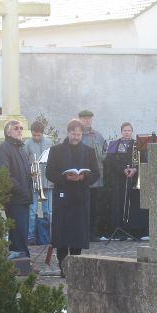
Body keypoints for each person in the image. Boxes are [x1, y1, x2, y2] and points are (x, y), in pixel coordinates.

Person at [46, 119, 100, 277]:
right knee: (62, 235)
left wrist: (83, 177)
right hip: (62, 196)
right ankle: (63, 268)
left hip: (80, 197)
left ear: (82, 134)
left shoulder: (89, 151)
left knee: (77, 235)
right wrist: (65, 178)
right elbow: (49, 172)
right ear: (68, 133)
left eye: (78, 134)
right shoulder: (56, 150)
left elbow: (96, 173)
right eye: (73, 134)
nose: (76, 137)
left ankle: (75, 268)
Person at [0, 120, 33, 259]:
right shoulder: (3, 149)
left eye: (21, 128)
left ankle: (23, 262)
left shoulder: (21, 149)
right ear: (8, 132)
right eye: (16, 128)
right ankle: (23, 261)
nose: (20, 130)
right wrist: (20, 188)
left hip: (24, 197)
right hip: (14, 198)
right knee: (18, 233)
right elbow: (4, 173)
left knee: (22, 233)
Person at [107, 122, 148, 239]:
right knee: (119, 204)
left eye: (129, 130)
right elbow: (109, 161)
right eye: (125, 130)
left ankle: (134, 231)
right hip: (119, 179)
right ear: (121, 131)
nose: (127, 132)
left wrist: (135, 169)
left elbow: (144, 160)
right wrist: (123, 170)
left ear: (132, 132)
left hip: (134, 179)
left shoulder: (138, 143)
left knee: (134, 205)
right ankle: (119, 231)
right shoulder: (114, 144)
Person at [78, 110, 107, 242]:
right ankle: (82, 232)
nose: (87, 121)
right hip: (80, 178)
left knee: (94, 208)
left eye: (89, 118)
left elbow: (105, 153)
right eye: (84, 119)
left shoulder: (98, 136)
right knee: (81, 207)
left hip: (96, 178)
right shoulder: (77, 135)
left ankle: (92, 233)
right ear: (80, 120)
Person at [24, 120, 54, 245]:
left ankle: (48, 236)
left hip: (47, 181)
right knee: (32, 211)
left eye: (39, 135)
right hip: (34, 181)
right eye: (34, 135)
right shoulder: (27, 144)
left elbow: (53, 160)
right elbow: (25, 162)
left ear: (42, 133)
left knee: (49, 211)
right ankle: (30, 237)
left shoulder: (49, 142)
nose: (36, 137)